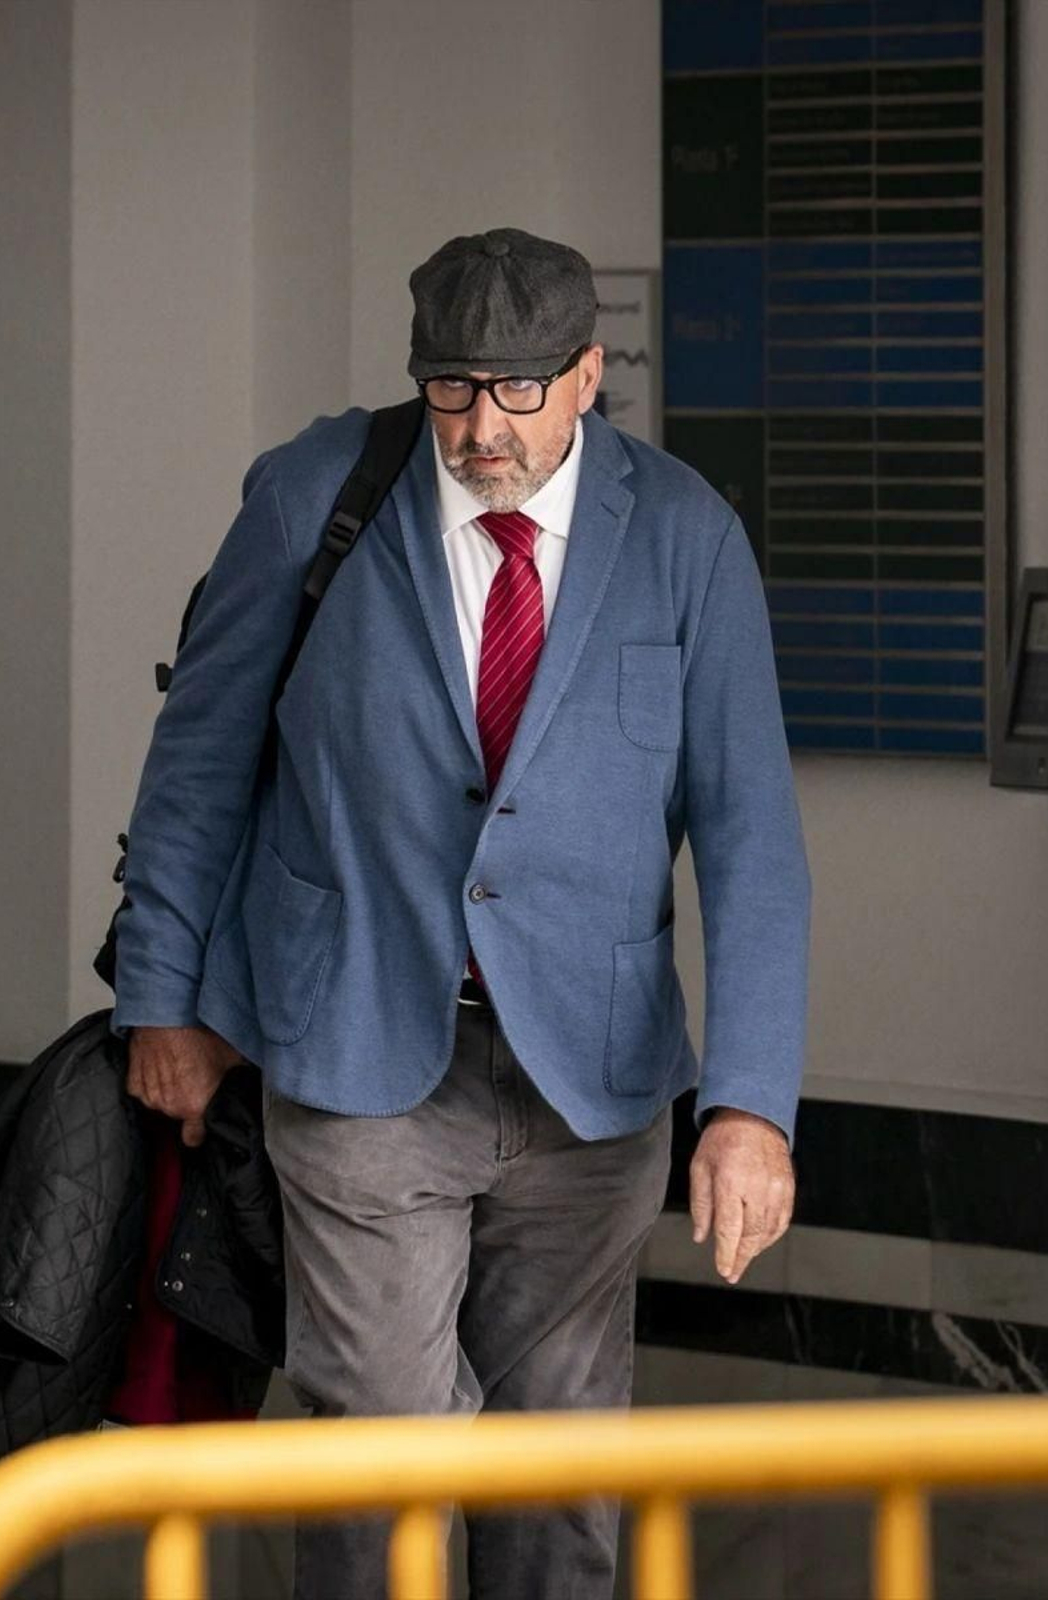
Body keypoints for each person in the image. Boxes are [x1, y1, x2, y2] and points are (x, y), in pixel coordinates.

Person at [113, 228, 811, 1599]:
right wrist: (162, 998)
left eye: (520, 390)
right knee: (383, 1452)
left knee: (558, 1473)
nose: (483, 428)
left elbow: (750, 837)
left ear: (591, 375)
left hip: (591, 1080)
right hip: (360, 1038)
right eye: (452, 388)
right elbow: (196, 762)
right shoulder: (313, 496)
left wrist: (751, 1105)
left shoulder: (682, 535)